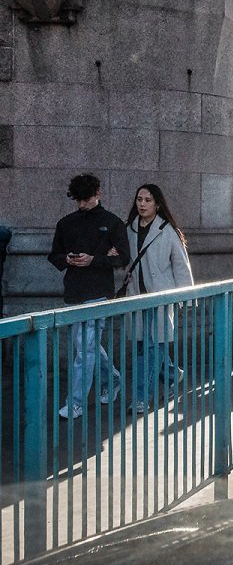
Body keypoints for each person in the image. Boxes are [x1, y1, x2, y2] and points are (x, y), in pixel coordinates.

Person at [47, 174, 131, 419]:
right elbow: (54, 255)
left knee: (85, 348)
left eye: (86, 199)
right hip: (75, 291)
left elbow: (124, 258)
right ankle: (112, 379)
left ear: (98, 194)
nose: (82, 204)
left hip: (99, 292)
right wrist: (68, 259)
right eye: (78, 200)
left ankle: (76, 402)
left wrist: (95, 260)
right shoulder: (66, 223)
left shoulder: (113, 223)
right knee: (88, 347)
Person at [124, 184, 194, 415]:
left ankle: (142, 398)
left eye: (148, 200)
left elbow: (181, 266)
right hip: (137, 298)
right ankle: (174, 375)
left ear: (157, 204)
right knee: (144, 346)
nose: (142, 204)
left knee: (152, 349)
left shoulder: (167, 230)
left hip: (161, 297)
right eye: (139, 199)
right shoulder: (129, 229)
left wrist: (186, 297)